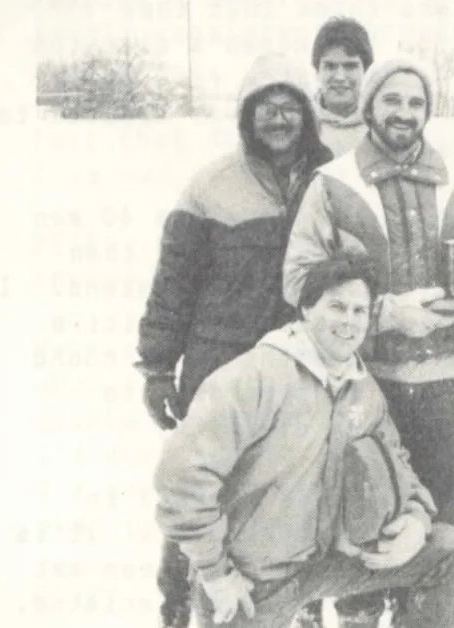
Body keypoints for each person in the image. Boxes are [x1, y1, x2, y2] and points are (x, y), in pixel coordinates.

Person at [284, 55, 454, 526]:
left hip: (450, 379)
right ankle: (361, 603)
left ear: (428, 111)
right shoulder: (332, 183)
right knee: (365, 510)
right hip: (365, 375)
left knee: (440, 518)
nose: (403, 112)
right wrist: (384, 313)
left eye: (415, 102)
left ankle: (428, 601)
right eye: (391, 100)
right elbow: (298, 280)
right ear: (369, 108)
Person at [155, 254, 454, 628]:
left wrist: (417, 519)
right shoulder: (256, 377)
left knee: (447, 550)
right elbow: (181, 477)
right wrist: (216, 573)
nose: (349, 321)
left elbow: (399, 465)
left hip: (324, 562)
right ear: (306, 308)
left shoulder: (362, 389)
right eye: (337, 306)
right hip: (253, 580)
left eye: (360, 310)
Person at [134, 52, 332, 628]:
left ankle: (302, 608)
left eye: (289, 106)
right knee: (203, 488)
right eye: (265, 107)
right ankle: (175, 605)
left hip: (299, 366)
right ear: (247, 116)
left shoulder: (329, 180)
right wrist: (155, 366)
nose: (278, 118)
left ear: (307, 115)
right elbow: (172, 283)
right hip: (219, 364)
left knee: (297, 489)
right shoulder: (210, 187)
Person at [311, 16, 373, 155]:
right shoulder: (301, 125)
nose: (340, 77)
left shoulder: (380, 127)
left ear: (366, 71)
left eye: (350, 66)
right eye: (330, 66)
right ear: (317, 71)